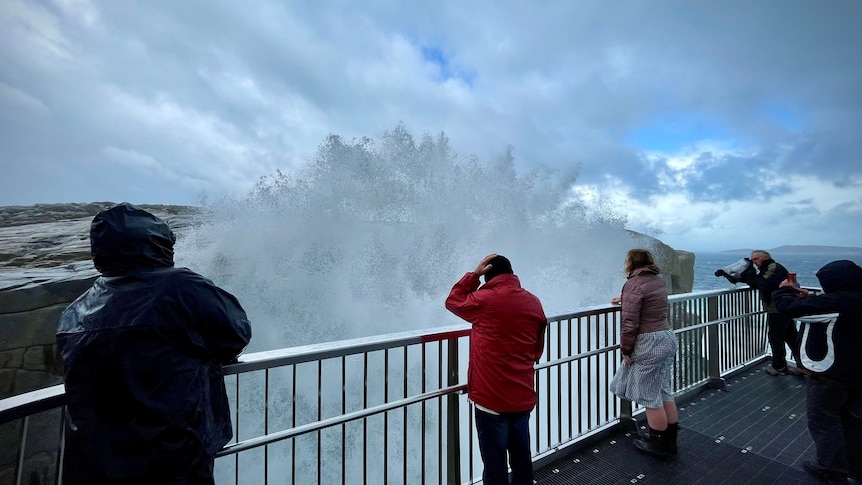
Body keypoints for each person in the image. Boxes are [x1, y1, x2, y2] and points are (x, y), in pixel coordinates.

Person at [56, 203, 252, 485]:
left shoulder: (75, 310)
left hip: (92, 464)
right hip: (171, 458)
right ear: (157, 244)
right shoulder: (181, 287)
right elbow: (236, 332)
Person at [445, 254, 547, 485]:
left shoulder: (485, 299)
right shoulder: (533, 301)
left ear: (488, 275)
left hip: (490, 399)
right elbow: (536, 350)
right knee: (521, 460)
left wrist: (473, 275)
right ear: (511, 273)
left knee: (494, 464)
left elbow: (453, 301)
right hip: (522, 396)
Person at [772, 260, 862, 485]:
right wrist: (810, 299)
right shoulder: (853, 298)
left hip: (831, 375)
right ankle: (856, 467)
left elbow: (788, 309)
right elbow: (826, 308)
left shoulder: (838, 302)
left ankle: (831, 470)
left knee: (824, 420)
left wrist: (784, 290)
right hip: (857, 374)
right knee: (853, 421)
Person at [609, 248, 679, 459]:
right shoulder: (656, 280)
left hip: (649, 342)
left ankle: (659, 444)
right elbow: (648, 301)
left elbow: (630, 323)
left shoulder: (634, 283)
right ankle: (670, 440)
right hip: (666, 336)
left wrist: (626, 349)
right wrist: (625, 298)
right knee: (663, 390)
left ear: (631, 262)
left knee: (649, 397)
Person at [741, 249, 800, 376]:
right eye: (752, 259)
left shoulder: (773, 268)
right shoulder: (770, 268)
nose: (753, 262)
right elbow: (758, 282)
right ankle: (803, 365)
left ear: (766, 258)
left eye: (756, 259)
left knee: (776, 337)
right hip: (783, 307)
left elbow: (762, 283)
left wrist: (749, 275)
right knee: (791, 336)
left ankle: (779, 367)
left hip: (778, 308)